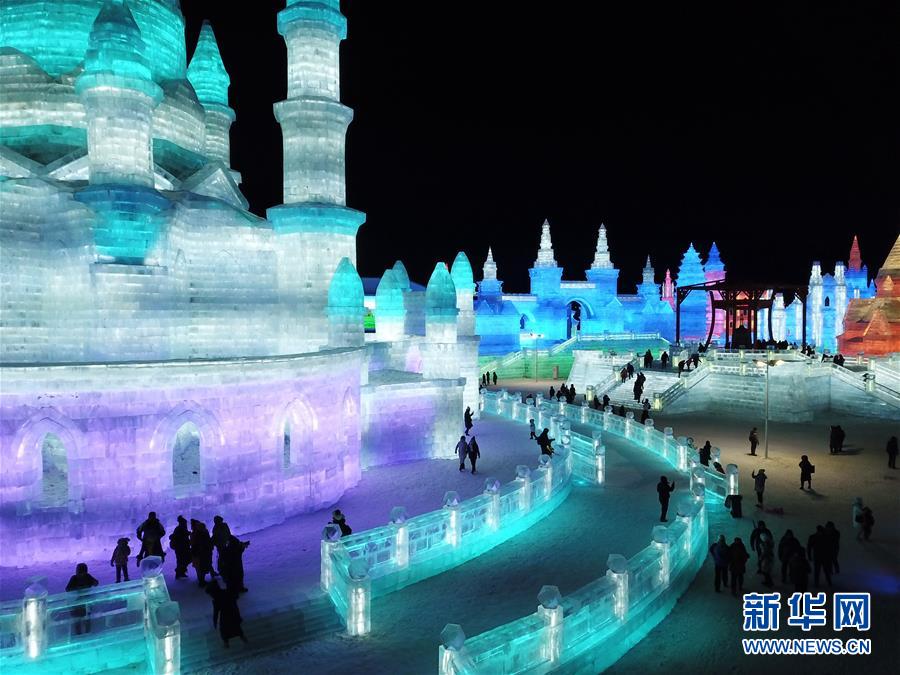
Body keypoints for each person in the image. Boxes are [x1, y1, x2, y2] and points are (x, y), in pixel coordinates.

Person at [206, 579, 248, 648]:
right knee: (237, 628)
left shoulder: (216, 600)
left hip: (225, 616)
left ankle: (226, 643)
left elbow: (216, 612)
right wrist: (238, 616)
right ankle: (243, 638)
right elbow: (235, 601)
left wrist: (215, 622)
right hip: (233, 613)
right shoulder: (226, 592)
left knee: (224, 630)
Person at [66, 562, 100, 635]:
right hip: (77, 602)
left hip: (85, 602)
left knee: (86, 619)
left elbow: (96, 583)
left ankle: (87, 633)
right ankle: (79, 634)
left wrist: (92, 583)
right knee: (78, 620)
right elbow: (67, 589)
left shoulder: (87, 576)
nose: (81, 574)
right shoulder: (74, 578)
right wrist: (80, 588)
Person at [190, 519, 214, 587]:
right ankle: (201, 581)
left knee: (201, 567)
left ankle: (201, 580)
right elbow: (205, 544)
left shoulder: (197, 534)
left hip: (200, 553)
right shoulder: (202, 534)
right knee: (202, 567)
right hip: (202, 554)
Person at [169, 515, 191, 580]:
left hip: (181, 547)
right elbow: (181, 537)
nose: (186, 524)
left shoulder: (179, 528)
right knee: (183, 560)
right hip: (181, 548)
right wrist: (188, 534)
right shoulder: (180, 529)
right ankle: (179, 572)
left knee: (182, 560)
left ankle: (180, 572)